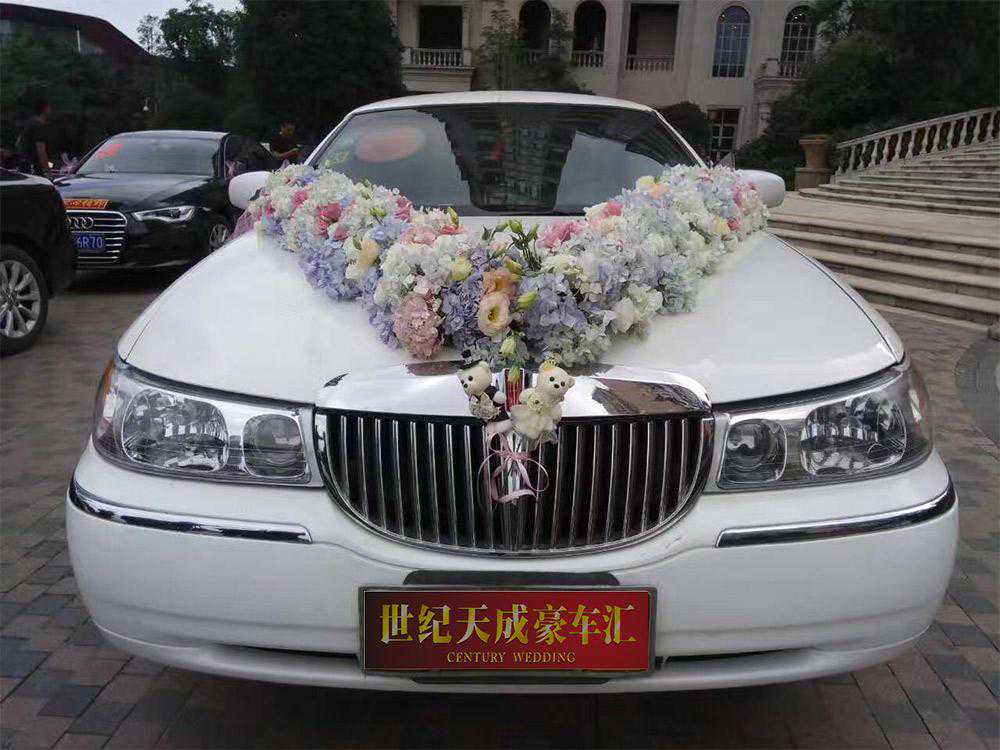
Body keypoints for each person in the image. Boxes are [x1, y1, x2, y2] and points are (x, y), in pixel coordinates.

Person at [16, 97, 53, 176]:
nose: (51, 109)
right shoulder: (38, 126)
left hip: (24, 166)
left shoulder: (29, 123)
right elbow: (41, 151)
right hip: (34, 169)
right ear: (45, 109)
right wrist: (48, 172)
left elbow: (18, 142)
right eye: (49, 107)